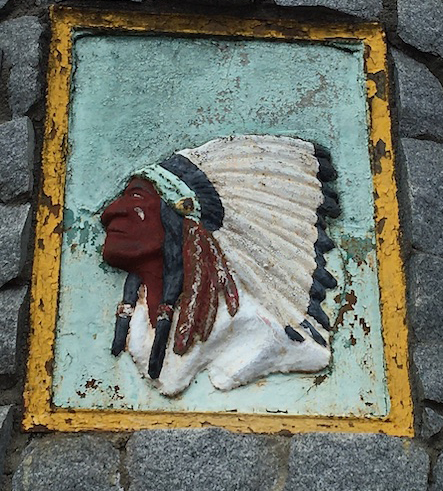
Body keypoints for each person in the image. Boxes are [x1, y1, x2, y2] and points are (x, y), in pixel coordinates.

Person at [97, 133, 341, 396]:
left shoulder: (257, 339)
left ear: (185, 223)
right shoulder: (141, 323)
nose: (110, 212)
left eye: (135, 197)